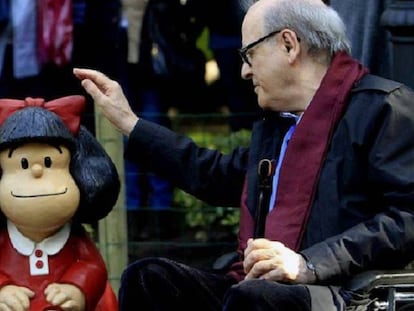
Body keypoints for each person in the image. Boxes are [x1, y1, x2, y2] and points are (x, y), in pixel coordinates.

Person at [73, 0, 414, 309]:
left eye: (248, 55)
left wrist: (308, 263)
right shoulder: (277, 126)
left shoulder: (383, 109)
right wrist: (130, 123)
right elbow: (214, 175)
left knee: (253, 297)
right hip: (256, 287)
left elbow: (408, 219)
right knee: (149, 279)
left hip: (341, 292)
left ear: (288, 44)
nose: (244, 72)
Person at [0, 96, 120, 310]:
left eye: (49, 162)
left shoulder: (74, 240)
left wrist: (76, 288)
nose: (37, 172)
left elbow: (93, 266)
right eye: (23, 164)